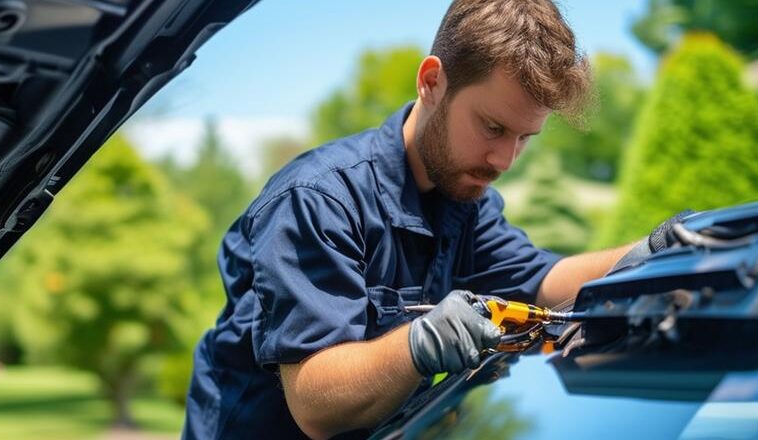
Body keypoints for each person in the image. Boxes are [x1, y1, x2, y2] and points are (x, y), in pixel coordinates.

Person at [183, 1, 678, 438]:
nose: (505, 160)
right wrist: (417, 346)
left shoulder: (462, 199)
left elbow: (541, 283)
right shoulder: (317, 200)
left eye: (525, 138)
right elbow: (315, 403)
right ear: (431, 82)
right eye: (492, 127)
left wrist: (655, 253)